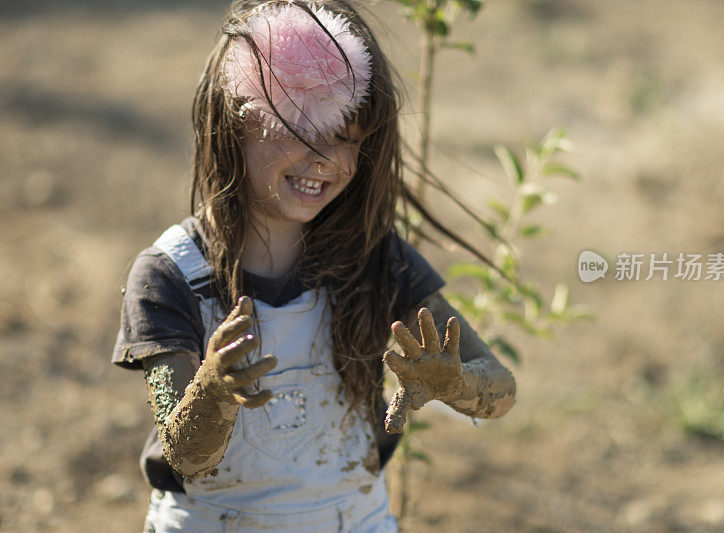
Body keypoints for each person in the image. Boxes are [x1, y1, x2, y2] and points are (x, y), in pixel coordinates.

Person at [112, 1, 516, 531]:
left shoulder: (376, 259)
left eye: (346, 138)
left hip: (353, 519)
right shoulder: (170, 274)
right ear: (235, 121)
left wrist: (454, 382)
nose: (326, 159)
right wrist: (212, 390)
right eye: (302, 131)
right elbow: (187, 456)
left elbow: (501, 389)